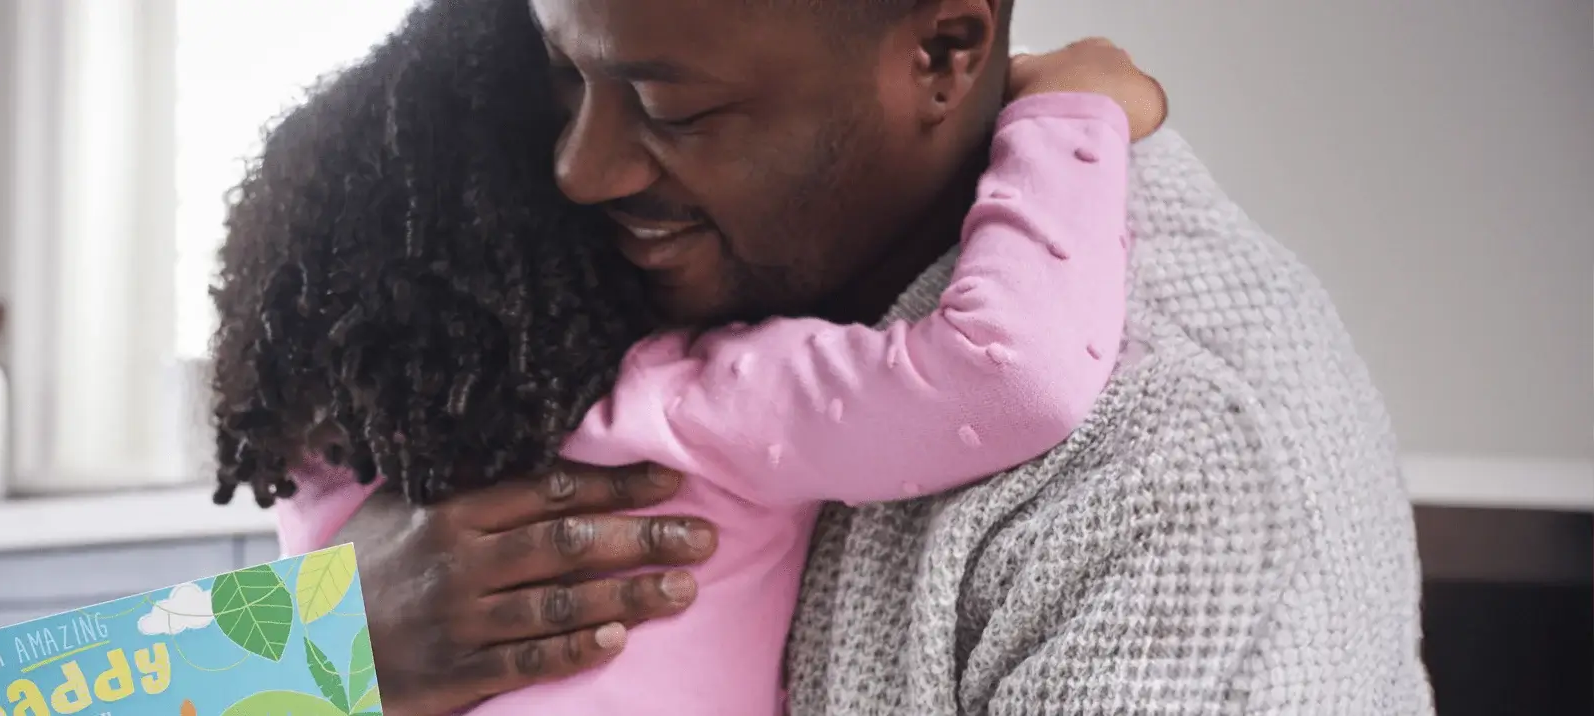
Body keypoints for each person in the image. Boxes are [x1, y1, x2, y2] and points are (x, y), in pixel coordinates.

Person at [211, 0, 1434, 714]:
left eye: (674, 108)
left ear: (943, 54)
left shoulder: (1174, 462)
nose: (580, 167)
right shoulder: (569, 325)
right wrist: (314, 642)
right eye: (562, 79)